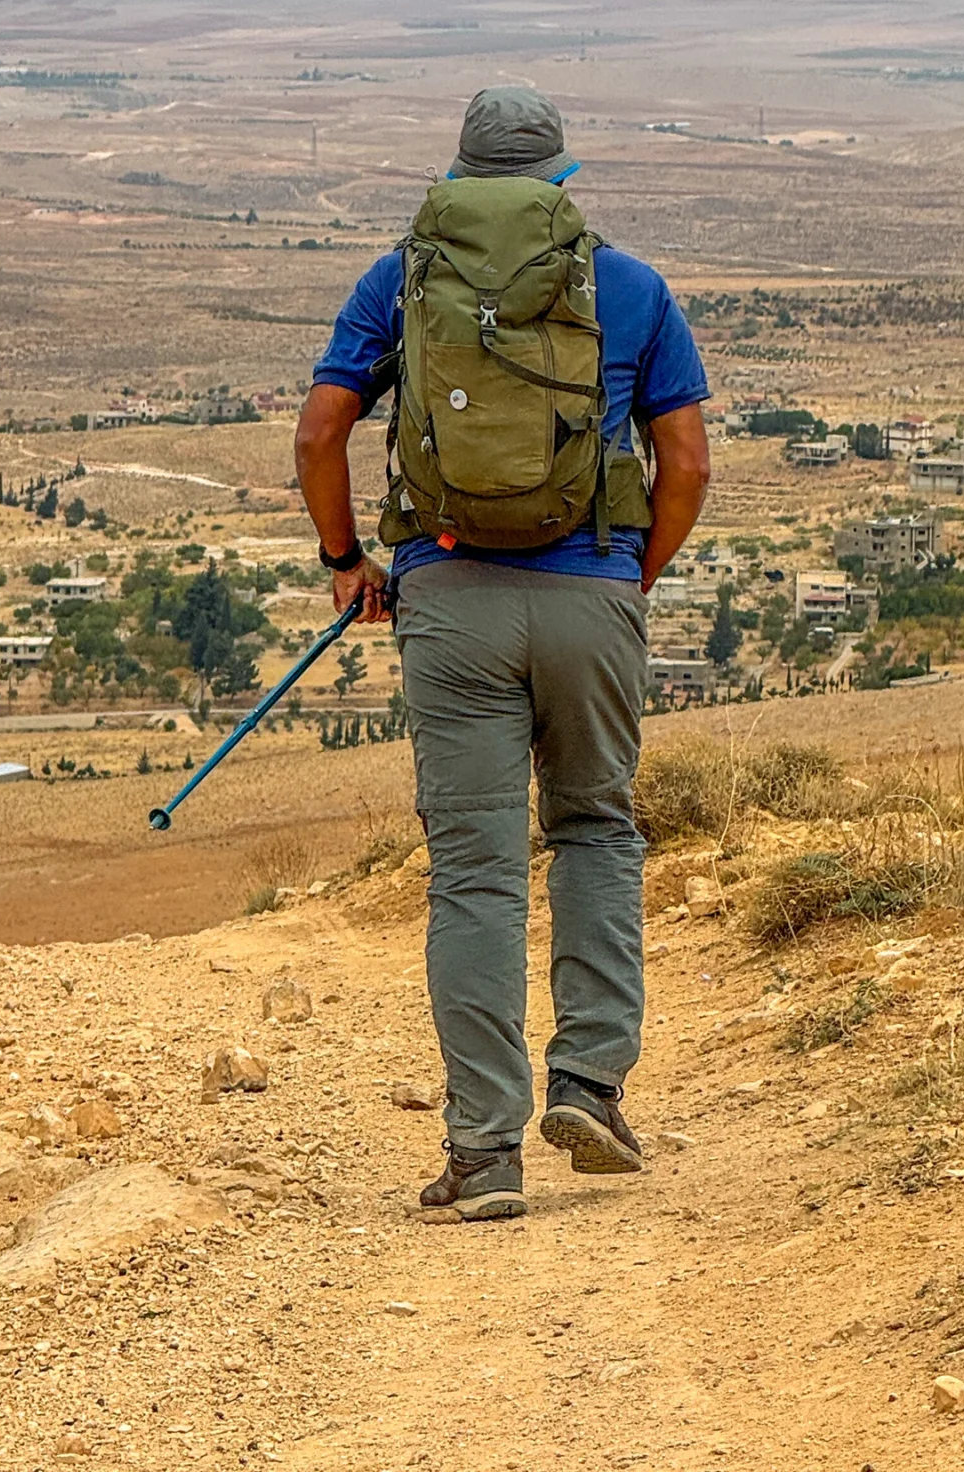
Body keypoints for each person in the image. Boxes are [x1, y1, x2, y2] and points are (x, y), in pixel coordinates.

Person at [294, 85, 710, 1221]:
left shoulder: (400, 281)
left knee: (474, 872)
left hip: (450, 598)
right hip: (592, 592)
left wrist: (345, 558)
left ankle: (484, 1153)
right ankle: (590, 1085)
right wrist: (627, 576)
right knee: (595, 830)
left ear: (461, 176)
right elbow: (686, 463)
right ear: (562, 178)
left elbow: (321, 430)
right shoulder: (629, 286)